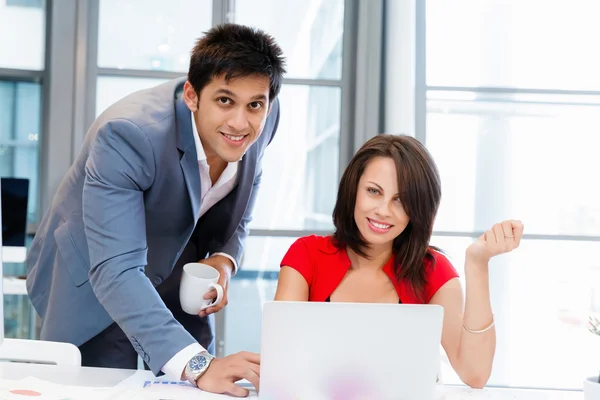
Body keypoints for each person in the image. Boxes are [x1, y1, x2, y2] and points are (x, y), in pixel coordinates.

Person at [26, 23, 285, 397]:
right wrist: (198, 364)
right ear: (192, 96)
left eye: (254, 105)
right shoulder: (127, 135)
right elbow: (115, 270)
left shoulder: (267, 115)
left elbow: (249, 183)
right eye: (225, 101)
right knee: (104, 387)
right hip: (97, 273)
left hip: (176, 266)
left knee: (195, 388)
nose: (240, 123)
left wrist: (226, 259)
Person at [274, 134, 524, 389]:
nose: (383, 210)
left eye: (401, 200)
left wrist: (477, 264)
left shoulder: (432, 270)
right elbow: (281, 363)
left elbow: (475, 373)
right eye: (373, 191)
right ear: (353, 190)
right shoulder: (306, 254)